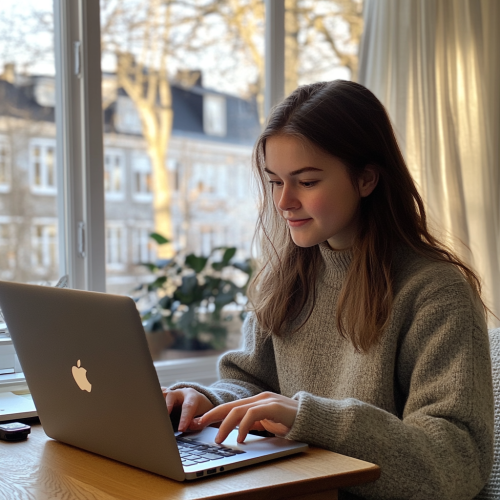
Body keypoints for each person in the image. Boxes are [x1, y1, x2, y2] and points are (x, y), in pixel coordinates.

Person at [163, 80, 494, 500]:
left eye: (306, 181)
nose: (283, 202)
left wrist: (309, 417)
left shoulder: (434, 291)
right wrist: (203, 401)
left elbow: (454, 464)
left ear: (367, 179)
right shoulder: (284, 278)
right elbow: (251, 382)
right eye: (275, 181)